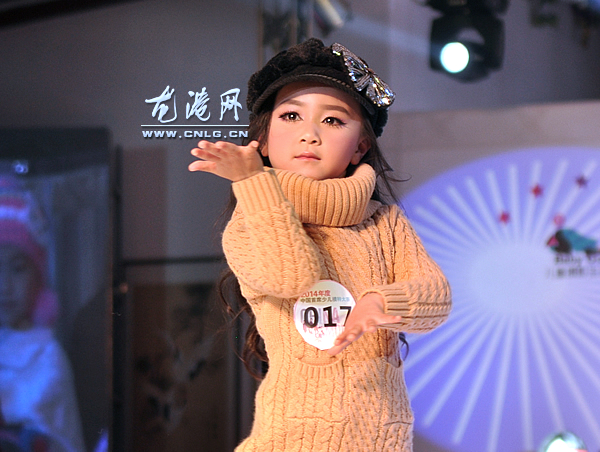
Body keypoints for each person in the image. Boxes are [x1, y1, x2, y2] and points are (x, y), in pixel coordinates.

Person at [189, 38, 452, 451]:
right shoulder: (250, 222)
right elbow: (292, 276)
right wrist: (253, 182)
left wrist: (381, 303)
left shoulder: (386, 223)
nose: (309, 134)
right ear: (263, 140)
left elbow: (437, 297)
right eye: (291, 116)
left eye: (332, 120)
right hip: (291, 439)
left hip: (382, 438)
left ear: (360, 146)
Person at [0, 177, 85, 452]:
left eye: (17, 268)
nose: (5, 286)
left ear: (38, 276)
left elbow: (63, 440)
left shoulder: (47, 356)